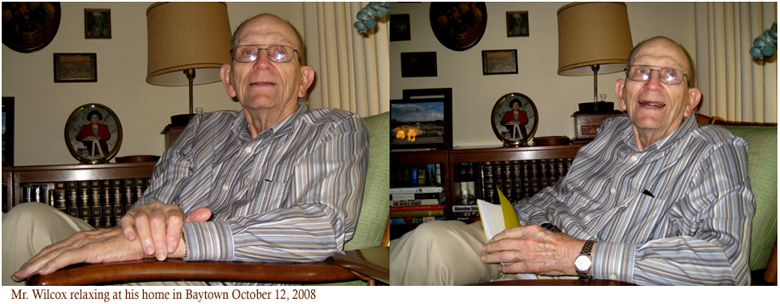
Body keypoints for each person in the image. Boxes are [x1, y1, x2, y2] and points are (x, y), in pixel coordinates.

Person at [4, 13, 369, 286]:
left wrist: (178, 241)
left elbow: (323, 225)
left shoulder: (335, 128)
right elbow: (150, 205)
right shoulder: (200, 128)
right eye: (247, 53)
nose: (261, 62)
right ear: (229, 80)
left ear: (304, 80)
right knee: (27, 219)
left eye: (278, 52)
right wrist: (137, 228)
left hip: (220, 281)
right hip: (147, 260)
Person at [390, 36, 754, 286]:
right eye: (641, 72)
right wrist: (505, 219)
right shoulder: (611, 132)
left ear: (691, 99)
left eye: (670, 75)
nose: (653, 84)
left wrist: (580, 256)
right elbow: (561, 194)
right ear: (622, 94)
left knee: (430, 249)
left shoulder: (714, 149)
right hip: (527, 240)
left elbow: (727, 262)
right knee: (425, 241)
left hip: (588, 279)